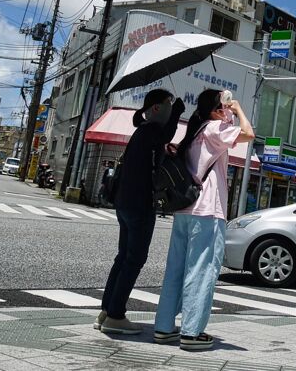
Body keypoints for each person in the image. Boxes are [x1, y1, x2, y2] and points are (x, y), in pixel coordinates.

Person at [153, 89, 254, 351]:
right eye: (225, 106)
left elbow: (228, 127)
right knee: (203, 269)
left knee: (176, 269)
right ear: (217, 109)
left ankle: (164, 327)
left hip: (186, 210)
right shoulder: (214, 129)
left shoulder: (196, 132)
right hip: (208, 210)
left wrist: (226, 108)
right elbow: (248, 133)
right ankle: (192, 332)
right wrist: (240, 109)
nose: (229, 110)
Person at [97, 89, 184, 335]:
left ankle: (106, 310)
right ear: (156, 108)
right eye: (167, 103)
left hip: (124, 204)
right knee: (134, 260)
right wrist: (177, 111)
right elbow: (167, 133)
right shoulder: (153, 130)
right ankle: (115, 315)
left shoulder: (142, 131)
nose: (170, 107)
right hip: (139, 205)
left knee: (123, 257)